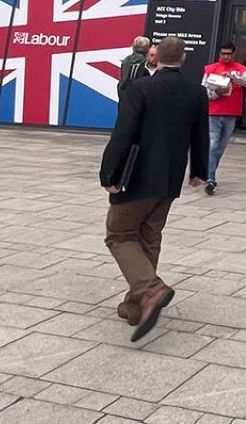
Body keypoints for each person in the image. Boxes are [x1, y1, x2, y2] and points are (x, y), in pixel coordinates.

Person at [99, 37, 208, 342]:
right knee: (149, 236)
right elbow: (200, 134)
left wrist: (108, 173)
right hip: (169, 180)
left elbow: (123, 133)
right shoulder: (196, 92)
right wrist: (199, 170)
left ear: (155, 55)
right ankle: (136, 308)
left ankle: (151, 290)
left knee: (119, 234)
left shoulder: (139, 88)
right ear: (183, 59)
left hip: (137, 175)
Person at [201, 42, 246, 195]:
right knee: (213, 144)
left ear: (233, 54)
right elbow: (204, 89)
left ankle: (210, 173)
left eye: (229, 53)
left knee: (220, 147)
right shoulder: (211, 69)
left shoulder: (240, 69)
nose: (226, 56)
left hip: (231, 112)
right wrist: (217, 93)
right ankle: (210, 178)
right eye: (223, 53)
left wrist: (233, 76)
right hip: (214, 112)